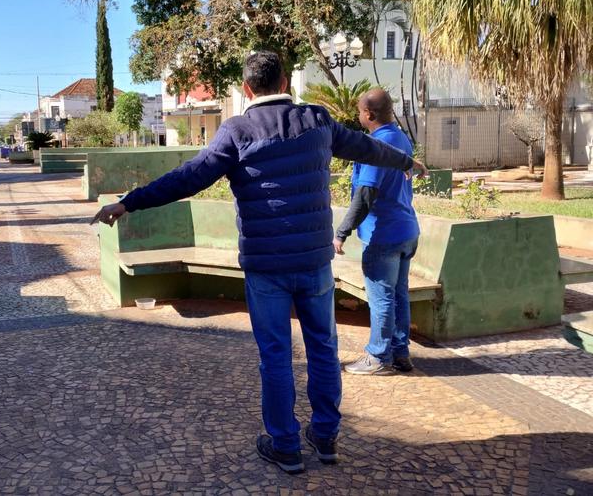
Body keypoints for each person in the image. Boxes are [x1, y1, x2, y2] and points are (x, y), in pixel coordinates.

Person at [91, 52, 426, 473]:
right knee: (323, 348)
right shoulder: (318, 120)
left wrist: (128, 203)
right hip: (314, 263)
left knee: (276, 354)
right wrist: (406, 161)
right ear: (286, 79)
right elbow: (368, 147)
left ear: (247, 88)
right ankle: (325, 437)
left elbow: (188, 177)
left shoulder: (236, 131)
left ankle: (285, 444)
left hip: (266, 266)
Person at [335, 88, 421, 376]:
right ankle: (400, 353)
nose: (358, 114)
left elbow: (366, 195)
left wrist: (342, 232)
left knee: (382, 297)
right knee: (398, 295)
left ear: (369, 115)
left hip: (382, 234)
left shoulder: (376, 146)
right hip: (407, 231)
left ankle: (378, 356)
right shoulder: (400, 138)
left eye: (360, 110)